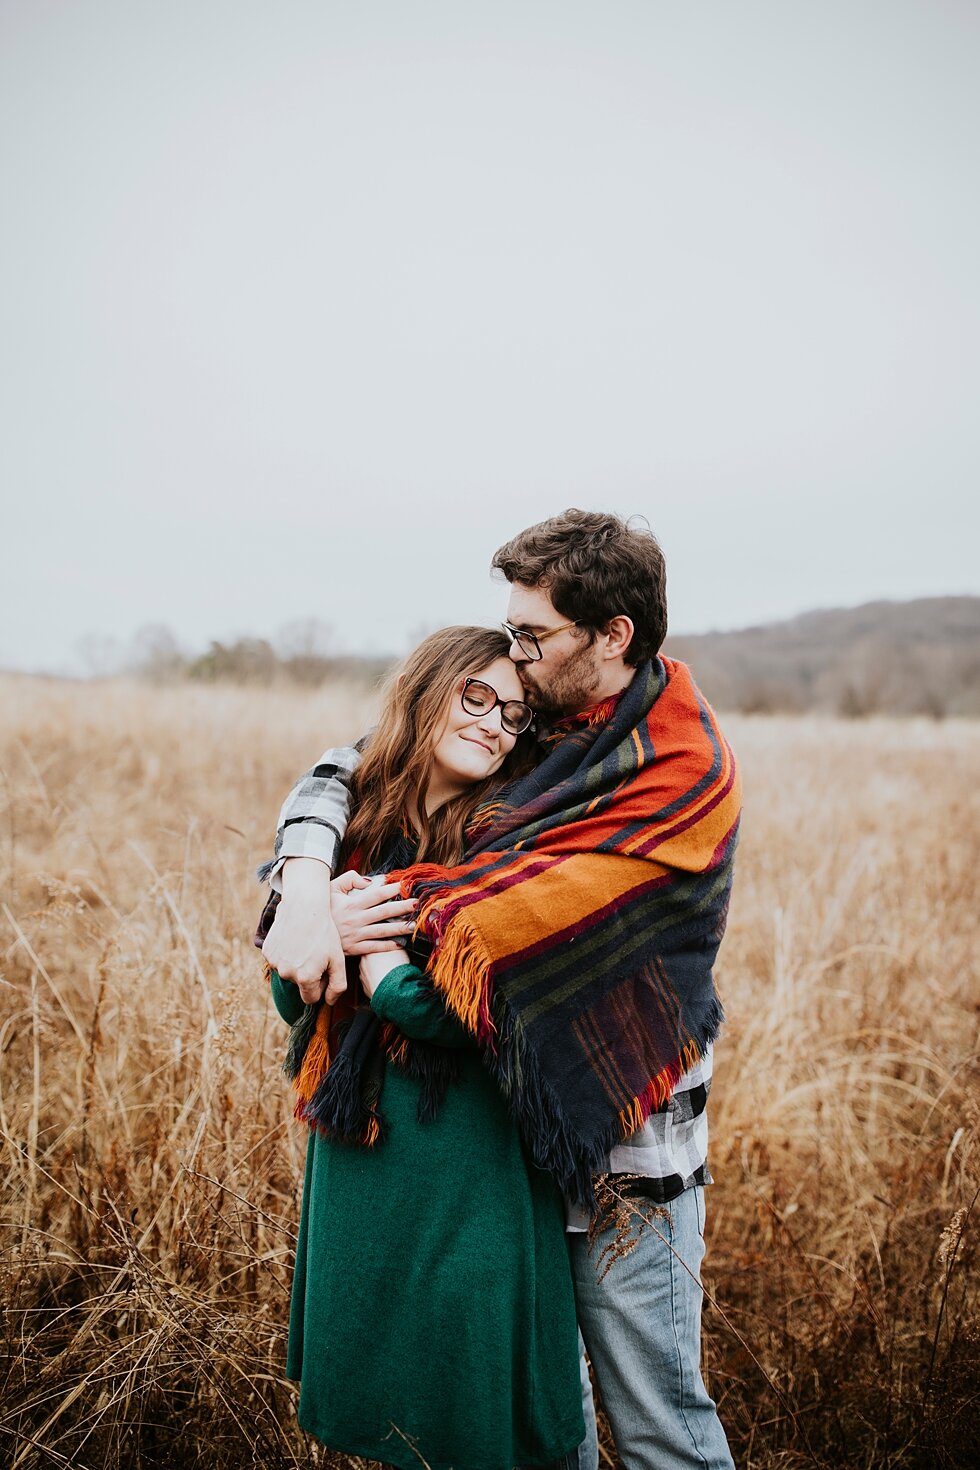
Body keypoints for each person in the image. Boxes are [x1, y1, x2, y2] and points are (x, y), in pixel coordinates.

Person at [262, 510, 740, 1470]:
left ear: (611, 636)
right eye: (509, 636)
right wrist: (309, 889)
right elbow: (357, 764)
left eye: (533, 637)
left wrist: (380, 940)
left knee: (656, 1422)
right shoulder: (535, 734)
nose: (515, 664)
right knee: (539, 1425)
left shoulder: (672, 770)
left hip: (622, 1151)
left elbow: (492, 931)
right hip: (510, 1146)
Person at [260, 625, 585, 1470]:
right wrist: (320, 930)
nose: (493, 722)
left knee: (475, 1407)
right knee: (388, 1419)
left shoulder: (513, 836)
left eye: (513, 713)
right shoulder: (349, 825)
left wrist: (371, 962)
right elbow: (289, 990)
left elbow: (462, 1012)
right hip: (363, 1151)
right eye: (475, 696)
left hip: (468, 1157)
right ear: (426, 692)